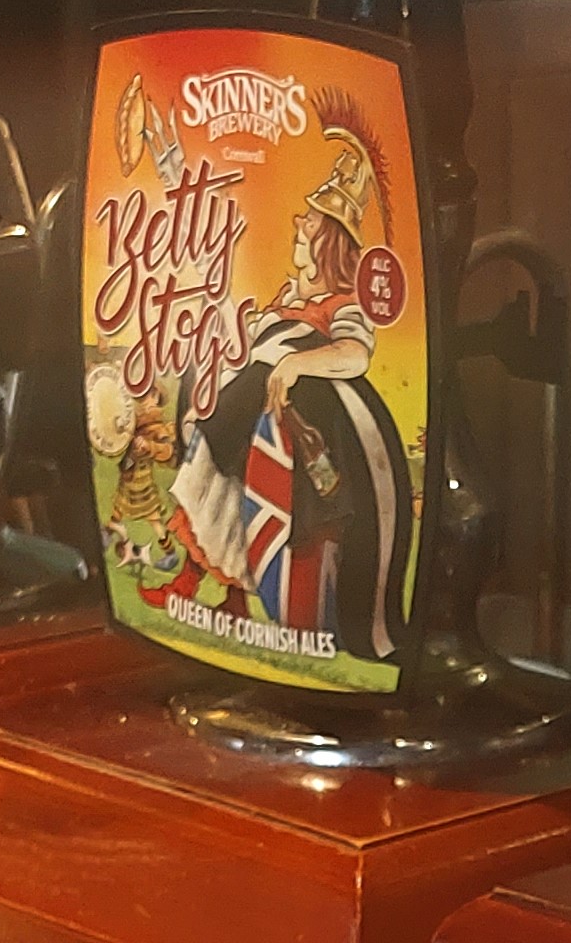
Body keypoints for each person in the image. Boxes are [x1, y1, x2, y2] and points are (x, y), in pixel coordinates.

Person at [167, 107, 414, 663]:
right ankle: (227, 600)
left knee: (296, 543)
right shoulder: (285, 300)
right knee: (232, 516)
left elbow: (354, 354)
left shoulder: (341, 305)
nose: (297, 228)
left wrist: (297, 364)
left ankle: (300, 627)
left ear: (326, 242)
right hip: (253, 437)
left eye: (308, 225)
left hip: (301, 446)